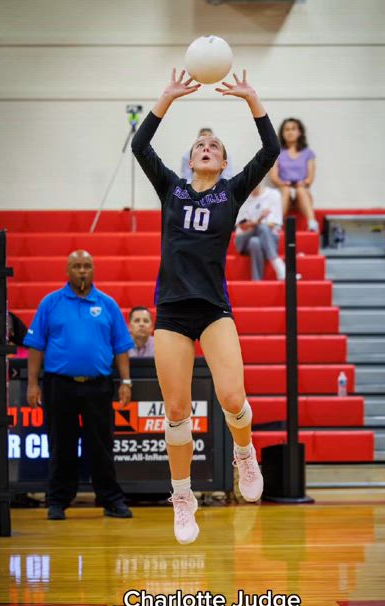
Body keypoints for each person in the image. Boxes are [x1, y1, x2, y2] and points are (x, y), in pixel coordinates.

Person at [131, 68, 279, 544]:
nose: (207, 147)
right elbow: (140, 146)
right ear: (191, 158)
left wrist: (252, 100)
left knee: (232, 398)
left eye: (214, 145)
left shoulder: (230, 192)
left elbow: (271, 150)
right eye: (200, 145)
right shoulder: (171, 188)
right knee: (176, 411)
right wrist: (166, 98)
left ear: (223, 161)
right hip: (172, 311)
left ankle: (244, 454)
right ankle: (183, 497)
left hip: (214, 308)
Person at [23, 250, 135, 521]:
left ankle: (110, 500)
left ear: (93, 270)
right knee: (61, 445)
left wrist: (126, 381)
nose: (82, 270)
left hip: (98, 386)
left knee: (101, 445)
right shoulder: (51, 303)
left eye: (86, 266)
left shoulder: (107, 304)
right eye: (76, 266)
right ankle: (58, 501)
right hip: (59, 385)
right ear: (67, 271)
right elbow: (36, 346)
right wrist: (32, 384)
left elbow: (121, 347)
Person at [268, 117, 318, 233]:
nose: (290, 132)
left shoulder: (308, 153)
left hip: (302, 192)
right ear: (282, 133)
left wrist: (303, 183)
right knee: (285, 190)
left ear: (299, 132)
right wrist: (283, 183)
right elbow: (274, 177)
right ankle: (277, 224)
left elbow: (310, 179)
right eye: (287, 129)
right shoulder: (277, 152)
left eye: (293, 129)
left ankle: (312, 223)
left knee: (300, 190)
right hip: (284, 190)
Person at [234, 181, 286, 281]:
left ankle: (257, 282)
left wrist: (254, 223)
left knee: (255, 242)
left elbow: (273, 224)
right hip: (243, 239)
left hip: (268, 238)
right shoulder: (241, 197)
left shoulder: (273, 195)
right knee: (262, 227)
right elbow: (242, 226)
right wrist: (259, 220)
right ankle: (278, 264)